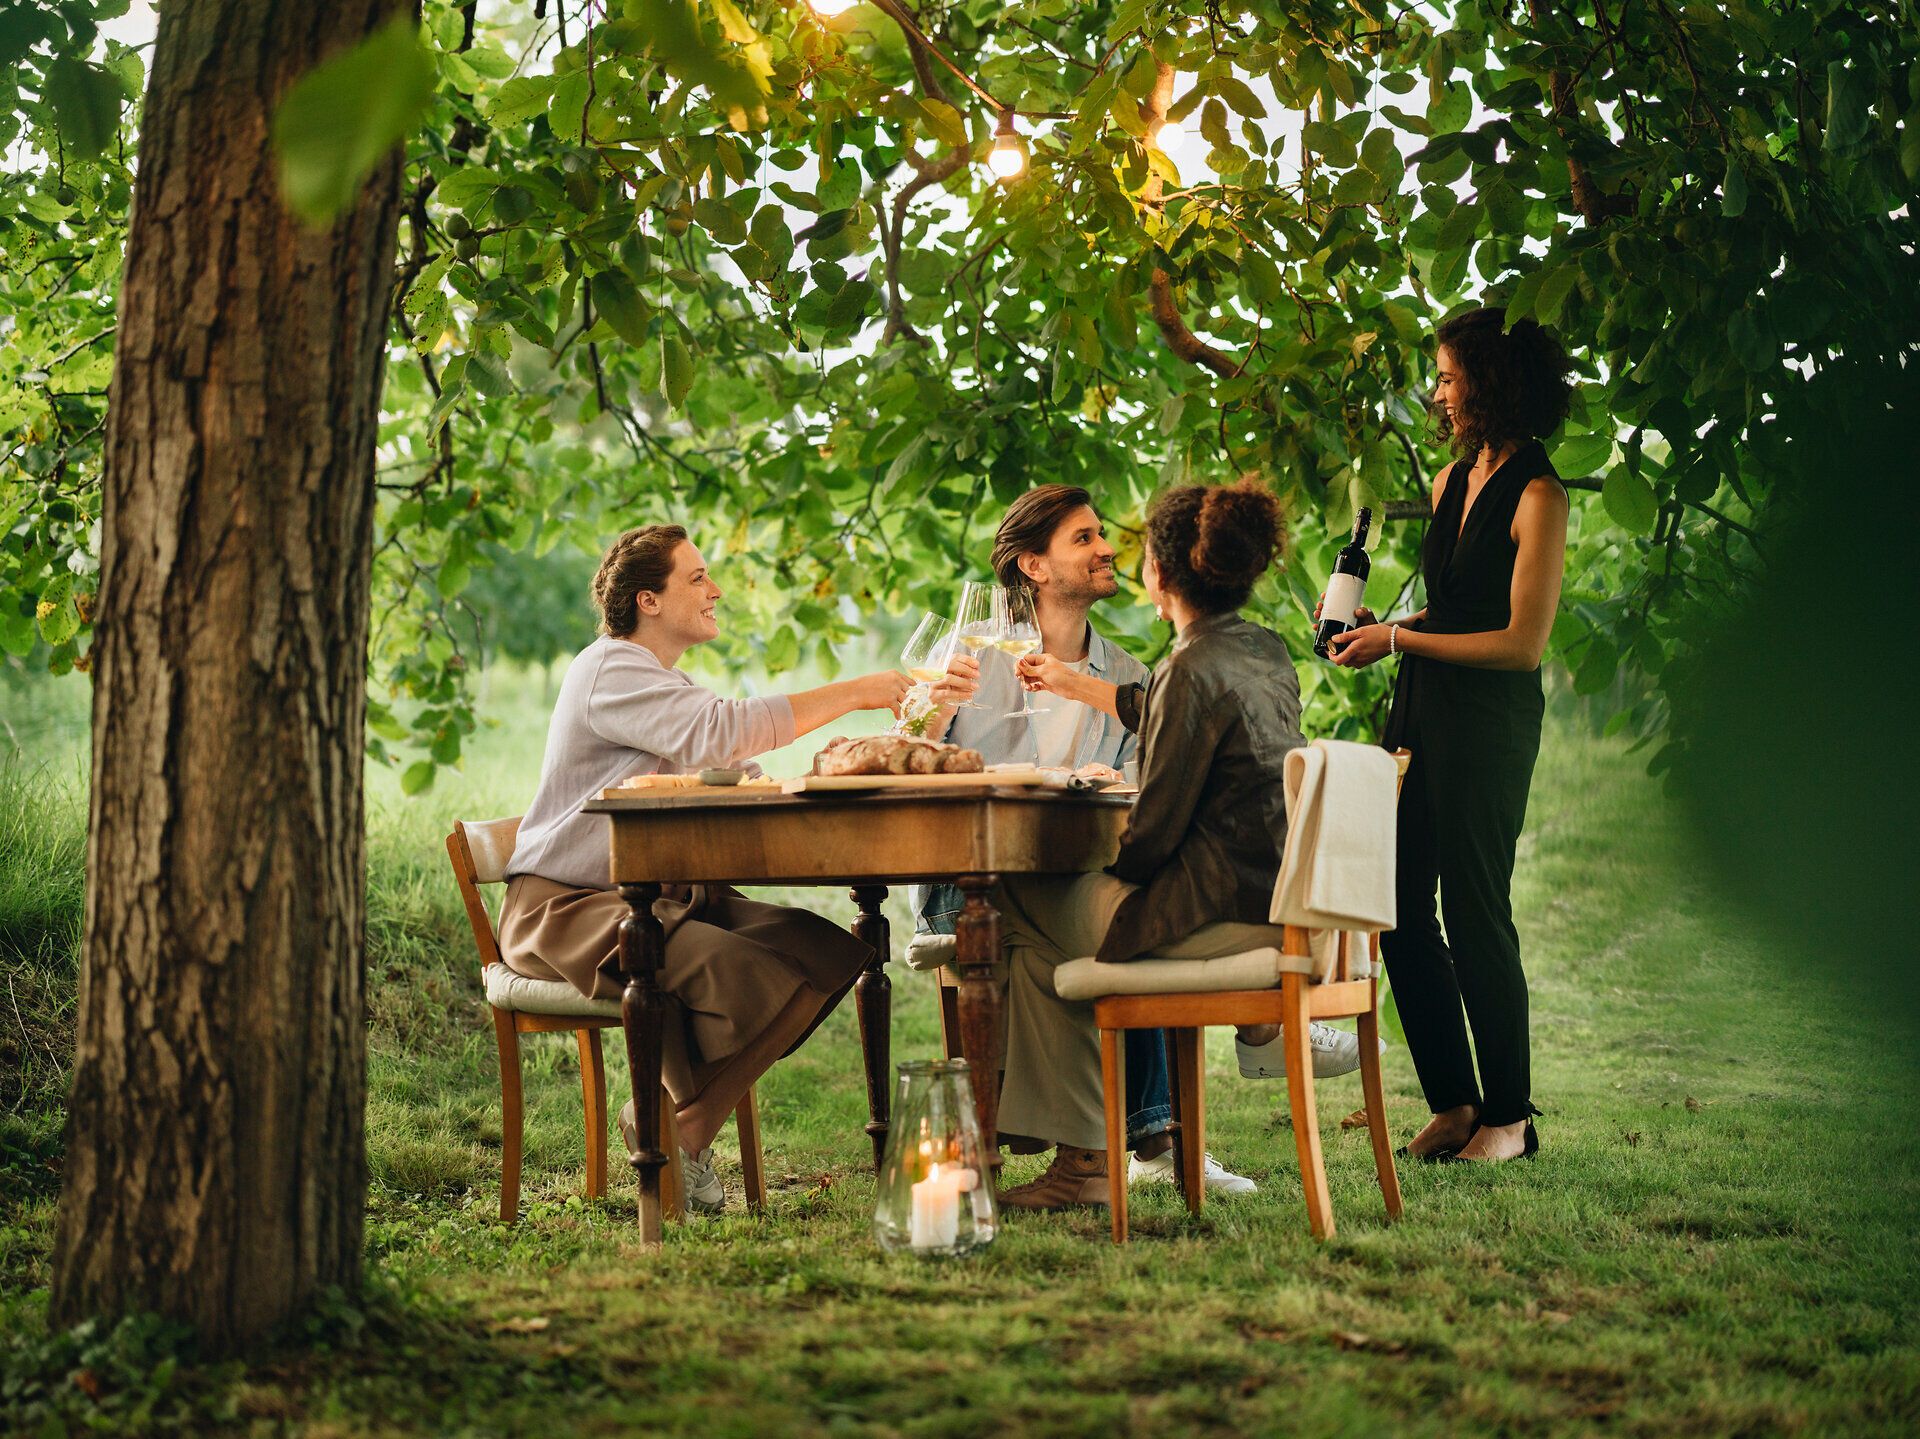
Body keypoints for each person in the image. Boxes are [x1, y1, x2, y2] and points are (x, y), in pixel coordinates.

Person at [500, 524, 910, 1210]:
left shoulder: (664, 682)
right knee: (747, 969)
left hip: (650, 901)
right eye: (696, 578)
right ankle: (679, 1134)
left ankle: (674, 1126)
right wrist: (856, 691)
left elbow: (725, 762)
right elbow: (718, 730)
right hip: (568, 908)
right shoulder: (609, 667)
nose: (714, 589)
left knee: (831, 951)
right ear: (648, 600)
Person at [987, 477, 1311, 1210]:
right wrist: (1086, 689)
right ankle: (1106, 1152)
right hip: (1276, 899)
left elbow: (1152, 840)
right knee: (1045, 949)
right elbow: (1172, 710)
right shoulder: (1264, 650)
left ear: (1158, 574)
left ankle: (1083, 1160)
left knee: (1015, 898)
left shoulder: (1185, 668)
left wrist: (1111, 860)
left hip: (1217, 916)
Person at [1325, 306, 1572, 1163]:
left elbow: (1519, 641)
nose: (1439, 392)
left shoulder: (1540, 494)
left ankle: (1510, 1117)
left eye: (1450, 377)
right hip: (1421, 709)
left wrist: (1396, 636)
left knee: (1475, 912)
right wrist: (1378, 633)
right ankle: (1456, 1102)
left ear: (1492, 384)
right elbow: (1457, 611)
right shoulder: (1449, 480)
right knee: (1396, 906)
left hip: (1489, 721)